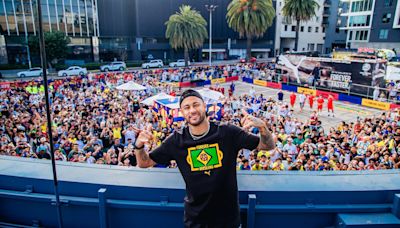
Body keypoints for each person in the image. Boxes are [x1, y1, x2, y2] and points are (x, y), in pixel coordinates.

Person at [134, 89, 275, 227]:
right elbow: (144, 162)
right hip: (196, 220)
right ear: (182, 112)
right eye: (187, 107)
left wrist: (263, 128)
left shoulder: (228, 132)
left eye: (196, 104)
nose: (192, 110)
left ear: (204, 106)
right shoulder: (176, 141)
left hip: (229, 220)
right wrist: (139, 145)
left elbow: (267, 146)